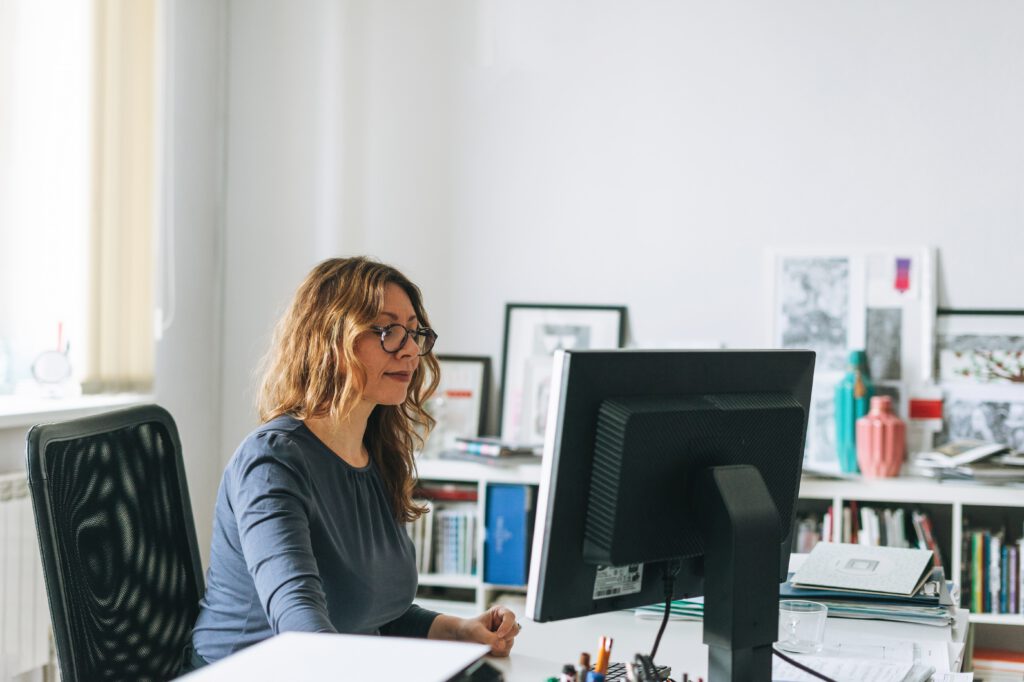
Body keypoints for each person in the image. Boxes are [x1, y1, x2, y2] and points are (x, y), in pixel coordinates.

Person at [181, 257, 520, 672]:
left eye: (414, 332)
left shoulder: (376, 454)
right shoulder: (271, 462)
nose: (410, 350)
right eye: (388, 331)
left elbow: (369, 615)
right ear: (329, 339)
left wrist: (460, 631)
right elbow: (301, 630)